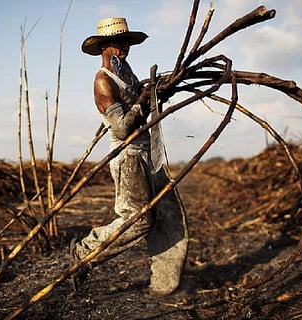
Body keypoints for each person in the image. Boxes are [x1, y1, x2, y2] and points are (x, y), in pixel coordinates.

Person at [70, 17, 188, 295]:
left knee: (165, 212)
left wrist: (156, 93)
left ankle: (164, 282)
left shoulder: (127, 73)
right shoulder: (103, 82)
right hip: (128, 156)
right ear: (104, 47)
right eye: (117, 43)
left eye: (126, 42)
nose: (124, 48)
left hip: (147, 150)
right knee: (139, 219)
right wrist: (141, 101)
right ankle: (85, 252)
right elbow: (123, 128)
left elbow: (142, 108)